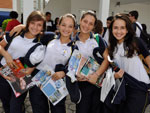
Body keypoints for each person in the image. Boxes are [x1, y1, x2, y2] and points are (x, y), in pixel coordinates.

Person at [10, 13, 77, 113]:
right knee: (39, 109)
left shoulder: (73, 47)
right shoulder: (49, 37)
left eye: (70, 26)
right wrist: (22, 26)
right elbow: (35, 30)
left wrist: (63, 73)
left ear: (74, 28)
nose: (66, 29)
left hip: (56, 81)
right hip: (38, 79)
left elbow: (73, 68)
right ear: (58, 25)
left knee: (58, 110)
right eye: (63, 25)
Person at [0, 10, 46, 113]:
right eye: (32, 23)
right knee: (6, 103)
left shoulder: (40, 45)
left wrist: (25, 71)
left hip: (20, 78)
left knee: (15, 108)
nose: (35, 27)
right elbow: (0, 46)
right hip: (3, 73)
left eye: (39, 25)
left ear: (42, 28)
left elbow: (31, 69)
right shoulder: (16, 32)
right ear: (28, 22)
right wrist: (7, 55)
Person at [108, 14, 150, 113]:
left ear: (127, 29)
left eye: (122, 28)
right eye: (115, 28)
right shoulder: (111, 47)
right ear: (111, 29)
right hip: (123, 88)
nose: (118, 31)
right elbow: (113, 66)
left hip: (140, 88)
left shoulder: (135, 42)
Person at [74, 10, 109, 113]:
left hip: (97, 84)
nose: (87, 25)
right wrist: (75, 75)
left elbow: (108, 59)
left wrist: (96, 75)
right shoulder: (72, 41)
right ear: (80, 21)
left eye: (91, 23)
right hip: (81, 85)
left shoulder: (98, 39)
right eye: (85, 21)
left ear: (94, 26)